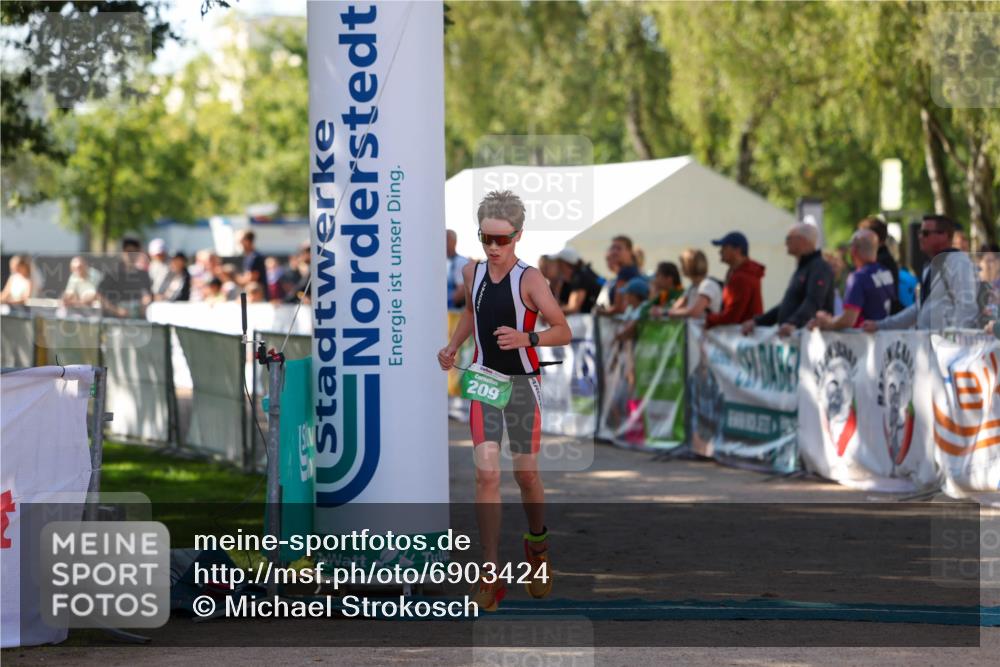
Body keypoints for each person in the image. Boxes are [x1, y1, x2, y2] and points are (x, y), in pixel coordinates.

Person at [437, 190, 571, 612]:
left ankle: (537, 546)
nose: (493, 248)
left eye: (502, 240)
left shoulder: (530, 279)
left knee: (525, 475)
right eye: (486, 239)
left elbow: (563, 329)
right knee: (487, 475)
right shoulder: (471, 272)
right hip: (484, 380)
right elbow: (471, 314)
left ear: (518, 236)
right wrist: (453, 346)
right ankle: (490, 572)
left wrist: (527, 338)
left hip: (522, 384)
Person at [864, 215, 979, 332]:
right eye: (919, 232)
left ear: (943, 235)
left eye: (925, 233)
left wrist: (952, 339)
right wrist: (881, 325)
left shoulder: (958, 263)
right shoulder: (930, 266)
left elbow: (967, 307)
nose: (920, 237)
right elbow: (919, 308)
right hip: (927, 340)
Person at [742, 223, 834, 338]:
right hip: (795, 338)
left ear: (802, 240)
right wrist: (757, 321)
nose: (786, 243)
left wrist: (793, 323)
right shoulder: (803, 268)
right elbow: (788, 304)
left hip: (809, 341)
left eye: (788, 238)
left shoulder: (819, 267)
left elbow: (813, 301)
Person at [809, 230, 895, 330]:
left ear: (853, 250)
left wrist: (827, 324)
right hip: (884, 335)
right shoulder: (885, 272)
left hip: (862, 337)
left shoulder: (858, 277)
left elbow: (848, 320)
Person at [704, 232, 765, 328]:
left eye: (724, 247)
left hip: (741, 334)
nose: (720, 251)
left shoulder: (742, 277)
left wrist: (706, 319)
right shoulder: (738, 272)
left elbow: (732, 317)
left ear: (737, 250)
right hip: (742, 333)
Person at [96, 237, 153, 318]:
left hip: (138, 320)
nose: (131, 255)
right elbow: (99, 295)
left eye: (135, 252)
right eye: (128, 251)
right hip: (114, 320)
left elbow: (147, 295)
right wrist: (116, 310)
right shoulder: (112, 273)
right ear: (123, 252)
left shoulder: (143, 274)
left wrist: (145, 303)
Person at [857, 217, 902, 313]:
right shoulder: (885, 259)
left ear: (874, 237)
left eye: (862, 236)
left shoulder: (878, 263)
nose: (858, 239)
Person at [668, 249, 722, 319]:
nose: (680, 268)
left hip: (704, 326)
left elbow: (695, 312)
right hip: (691, 325)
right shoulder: (692, 286)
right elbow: (676, 307)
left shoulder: (708, 285)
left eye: (683, 264)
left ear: (690, 265)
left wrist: (668, 313)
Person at [599, 235, 642, 315]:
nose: (614, 252)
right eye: (613, 248)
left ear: (629, 251)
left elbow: (619, 308)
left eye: (619, 248)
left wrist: (600, 312)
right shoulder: (634, 268)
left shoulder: (626, 272)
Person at [552, 246, 601, 315]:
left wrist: (548, 312)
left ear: (564, 264)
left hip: (593, 318)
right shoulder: (583, 272)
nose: (556, 266)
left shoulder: (580, 277)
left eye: (558, 263)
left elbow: (573, 308)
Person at [446, 229, 469, 309]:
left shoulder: (460, 262)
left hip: (455, 312)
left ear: (454, 242)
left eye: (447, 239)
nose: (444, 242)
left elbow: (461, 291)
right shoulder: (441, 262)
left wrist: (445, 304)